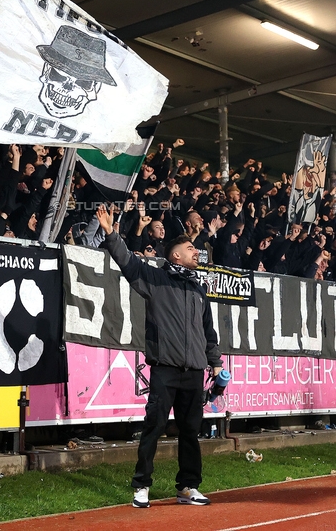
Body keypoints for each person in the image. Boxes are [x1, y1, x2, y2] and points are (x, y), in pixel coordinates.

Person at [95, 203, 222, 509]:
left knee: (191, 432)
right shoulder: (155, 279)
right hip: (164, 369)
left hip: (194, 372)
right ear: (175, 255)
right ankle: (141, 486)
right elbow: (127, 262)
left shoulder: (198, 289)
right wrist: (111, 233)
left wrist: (215, 363)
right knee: (154, 427)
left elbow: (209, 331)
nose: (196, 252)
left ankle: (187, 487)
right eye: (191, 248)